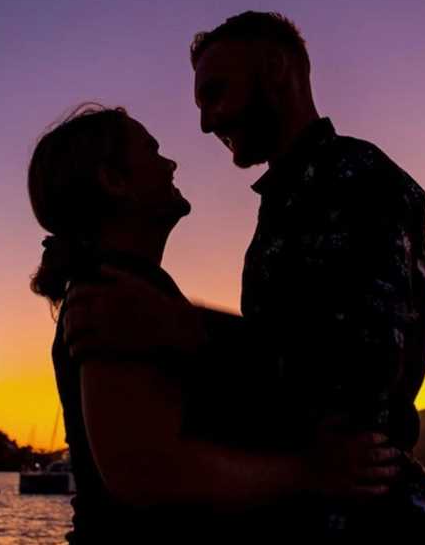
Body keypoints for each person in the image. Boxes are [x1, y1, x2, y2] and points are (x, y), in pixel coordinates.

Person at [72, 12, 425, 542]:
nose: (205, 123)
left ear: (275, 69)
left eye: (216, 93)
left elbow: (363, 367)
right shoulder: (284, 203)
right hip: (309, 512)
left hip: (366, 520)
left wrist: (188, 330)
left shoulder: (360, 180)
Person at [27, 104, 401, 545]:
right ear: (115, 181)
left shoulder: (137, 292)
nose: (171, 162)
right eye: (153, 151)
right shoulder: (111, 294)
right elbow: (146, 474)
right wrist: (311, 471)